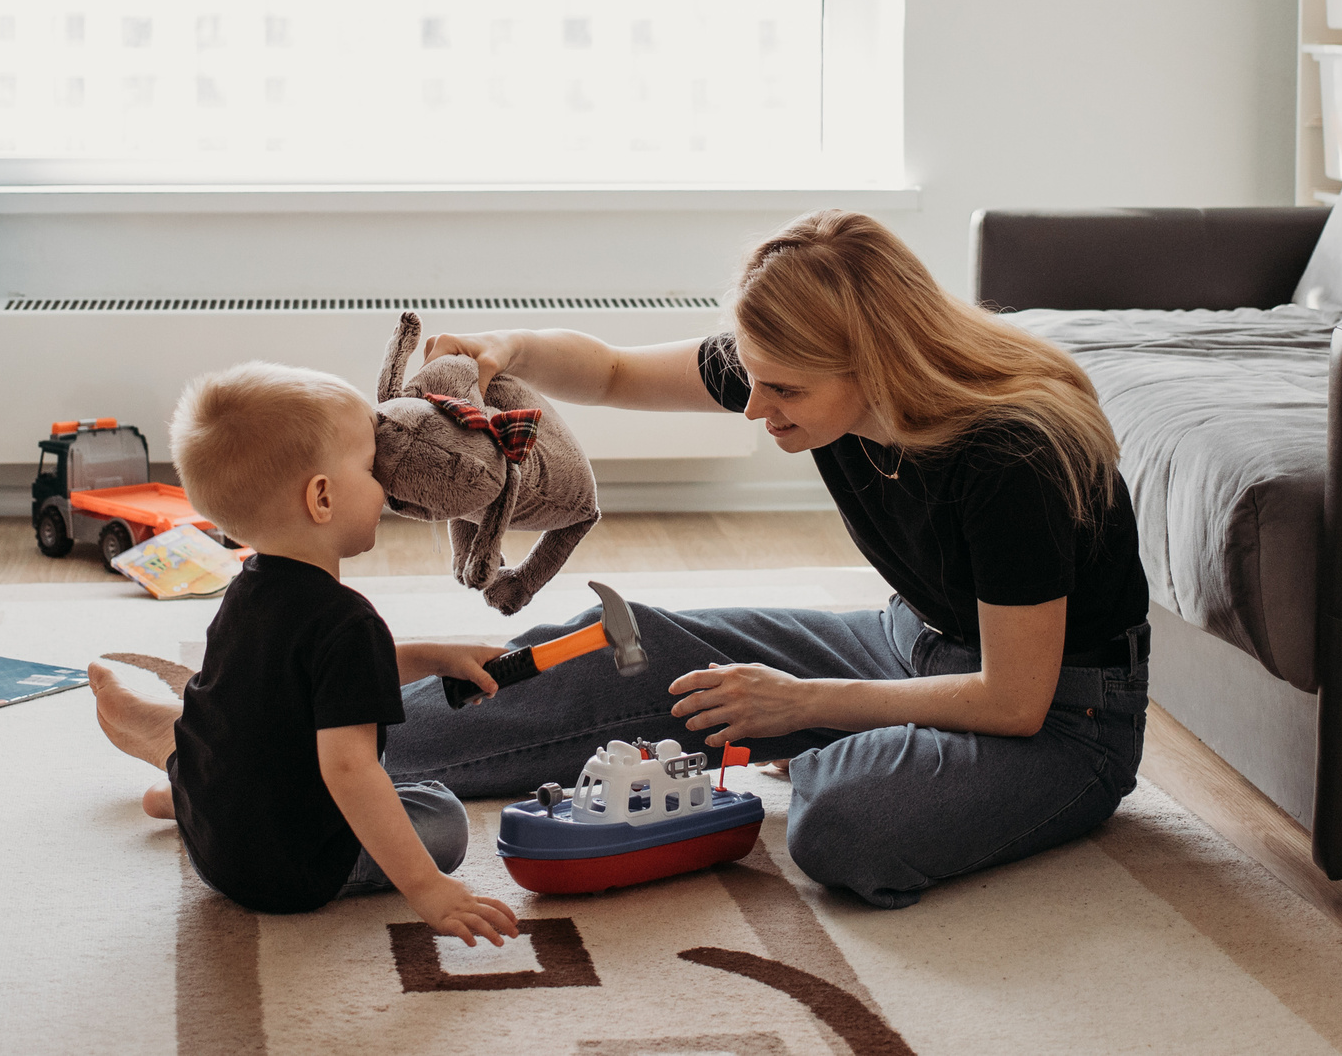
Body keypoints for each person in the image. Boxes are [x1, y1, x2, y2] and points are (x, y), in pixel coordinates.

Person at [382, 209, 1151, 910]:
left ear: (874, 365)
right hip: (906, 643)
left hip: (1060, 719)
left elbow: (1013, 701)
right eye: (752, 377)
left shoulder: (1012, 455)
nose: (754, 406)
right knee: (638, 648)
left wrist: (806, 704)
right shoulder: (795, 365)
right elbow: (613, 370)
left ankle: (837, 746)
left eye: (782, 389)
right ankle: (352, 735)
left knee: (844, 822)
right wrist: (509, 348)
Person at [86, 361, 521, 943]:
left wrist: (436, 658)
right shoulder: (348, 621)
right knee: (442, 815)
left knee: (260, 742)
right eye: (370, 468)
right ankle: (185, 786)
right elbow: (348, 768)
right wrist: (428, 888)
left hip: (215, 847)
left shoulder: (246, 589)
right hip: (289, 872)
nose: (385, 484)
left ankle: (185, 794)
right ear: (321, 497)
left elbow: (325, 675)